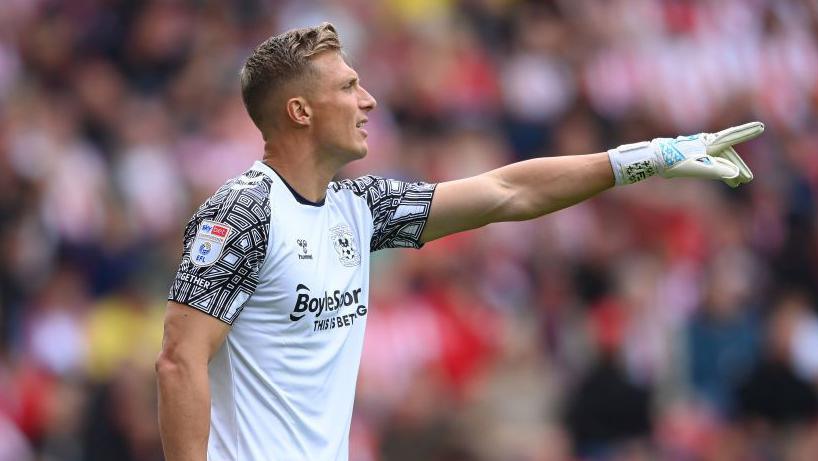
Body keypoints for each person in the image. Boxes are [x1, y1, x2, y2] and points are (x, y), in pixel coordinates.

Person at [155, 22, 764, 461]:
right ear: (299, 111)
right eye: (346, 87)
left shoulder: (359, 209)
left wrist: (650, 157)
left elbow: (507, 192)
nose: (367, 99)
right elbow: (180, 360)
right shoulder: (243, 213)